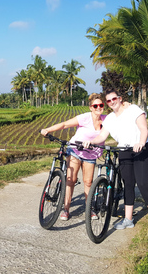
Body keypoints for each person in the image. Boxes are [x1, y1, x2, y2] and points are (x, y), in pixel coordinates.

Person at [83, 88, 148, 236]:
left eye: (114, 99)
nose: (112, 102)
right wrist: (91, 142)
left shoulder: (133, 109)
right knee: (128, 185)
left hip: (142, 150)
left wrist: (141, 142)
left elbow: (144, 129)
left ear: (120, 98)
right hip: (124, 151)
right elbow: (102, 136)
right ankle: (128, 219)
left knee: (143, 183)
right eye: (109, 101)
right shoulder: (110, 119)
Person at [41, 93, 107, 221]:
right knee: (71, 181)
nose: (98, 107)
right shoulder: (84, 118)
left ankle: (90, 209)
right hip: (75, 151)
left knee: (88, 182)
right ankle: (66, 209)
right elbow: (65, 125)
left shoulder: (106, 120)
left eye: (101, 105)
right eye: (95, 105)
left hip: (91, 154)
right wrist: (48, 130)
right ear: (90, 107)